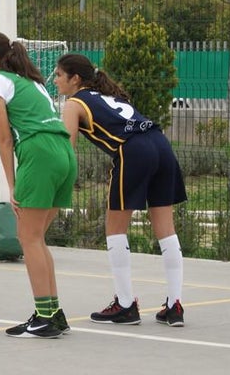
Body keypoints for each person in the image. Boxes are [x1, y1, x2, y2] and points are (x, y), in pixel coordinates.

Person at [54, 53, 187, 327]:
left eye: (58, 75)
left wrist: (57, 178)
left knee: (115, 228)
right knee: (166, 228)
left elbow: (66, 147)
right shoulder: (109, 95)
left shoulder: (74, 103)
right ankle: (174, 306)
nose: (54, 80)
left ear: (74, 78)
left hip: (133, 151)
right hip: (160, 144)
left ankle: (125, 305)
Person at [0, 32, 78, 339]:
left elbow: (4, 139)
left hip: (40, 154)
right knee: (36, 238)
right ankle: (53, 313)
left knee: (27, 238)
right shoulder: (32, 82)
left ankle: (45, 317)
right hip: (64, 153)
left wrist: (12, 185)